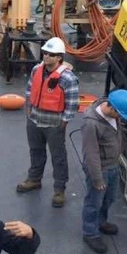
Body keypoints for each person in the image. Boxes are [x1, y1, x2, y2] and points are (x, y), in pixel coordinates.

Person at [17, 36, 80, 207]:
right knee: (35, 150)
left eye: (51, 54)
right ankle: (34, 178)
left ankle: (59, 190)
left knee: (58, 157)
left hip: (54, 123)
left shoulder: (67, 78)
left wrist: (65, 121)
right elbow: (30, 88)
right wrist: (28, 107)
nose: (46, 56)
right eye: (45, 53)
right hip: (34, 119)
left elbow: (72, 102)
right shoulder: (37, 69)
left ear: (59, 57)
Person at [80, 89, 127, 254]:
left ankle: (101, 221)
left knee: (109, 198)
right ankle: (90, 233)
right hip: (99, 170)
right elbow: (91, 154)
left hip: (113, 165)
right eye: (119, 115)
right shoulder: (91, 123)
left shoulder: (113, 111)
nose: (120, 118)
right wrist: (97, 179)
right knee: (94, 202)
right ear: (112, 109)